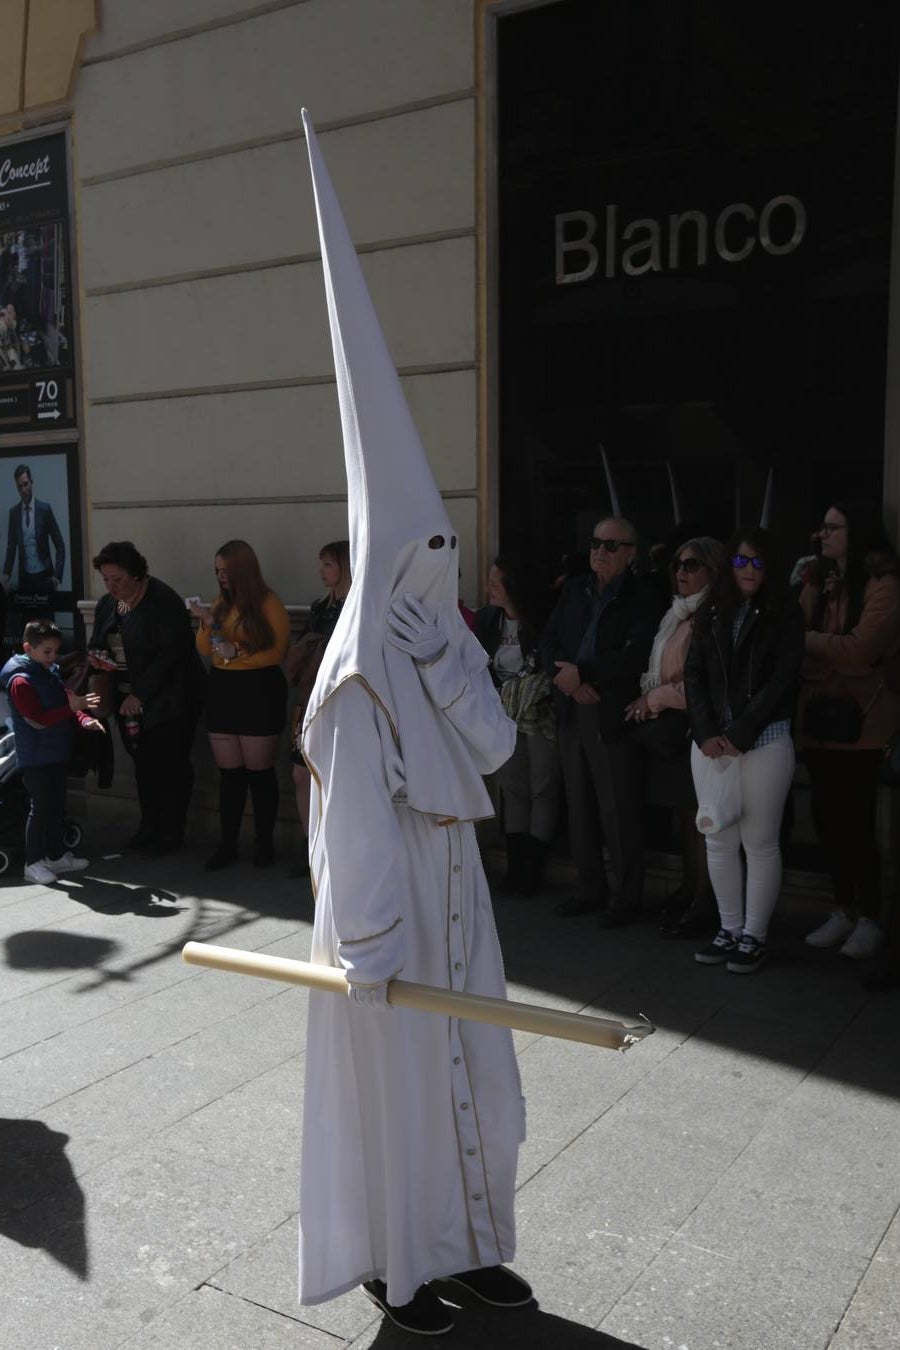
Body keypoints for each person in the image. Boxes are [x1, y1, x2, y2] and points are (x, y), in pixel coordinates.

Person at [297, 110, 529, 1338]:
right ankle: (403, 1263)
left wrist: (453, 658)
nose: (442, 568)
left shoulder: (435, 646)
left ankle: (475, 1244)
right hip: (386, 927)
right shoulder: (350, 676)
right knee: (402, 1097)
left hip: (461, 891)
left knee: (477, 1080)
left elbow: (491, 751)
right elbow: (356, 832)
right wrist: (373, 954)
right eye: (424, 554)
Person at [684, 528, 805, 973]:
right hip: (711, 744)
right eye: (739, 561)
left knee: (759, 842)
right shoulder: (710, 611)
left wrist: (742, 731)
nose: (748, 569)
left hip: (764, 742)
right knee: (717, 840)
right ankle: (729, 929)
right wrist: (705, 732)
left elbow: (782, 680)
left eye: (756, 561)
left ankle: (754, 935)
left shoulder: (784, 613)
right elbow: (693, 675)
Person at [540, 517, 665, 925]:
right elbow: (549, 640)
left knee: (618, 808)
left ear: (631, 553)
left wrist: (586, 674)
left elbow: (637, 654)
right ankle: (589, 889)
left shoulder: (643, 595)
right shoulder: (576, 588)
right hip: (573, 704)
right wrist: (570, 681)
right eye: (595, 543)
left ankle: (626, 899)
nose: (600, 552)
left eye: (611, 546)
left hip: (612, 709)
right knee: (578, 805)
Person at [798, 501, 900, 959]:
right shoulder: (819, 583)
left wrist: (816, 647)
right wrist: (828, 648)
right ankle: (843, 909)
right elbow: (795, 638)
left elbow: (861, 651)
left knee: (858, 824)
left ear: (855, 533)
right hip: (821, 720)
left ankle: (871, 916)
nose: (822, 535)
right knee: (826, 820)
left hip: (864, 725)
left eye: (832, 527)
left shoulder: (884, 586)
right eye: (821, 527)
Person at [622, 536, 724, 937]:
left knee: (703, 820)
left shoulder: (712, 616)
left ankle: (706, 901)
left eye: (692, 565)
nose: (681, 572)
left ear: (712, 571)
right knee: (684, 816)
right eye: (678, 565)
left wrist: (655, 698)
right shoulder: (679, 613)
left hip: (697, 731)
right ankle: (689, 889)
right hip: (675, 733)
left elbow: (704, 684)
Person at [90, 541, 205, 853]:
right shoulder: (107, 605)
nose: (111, 586)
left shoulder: (162, 601)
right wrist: (97, 658)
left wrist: (141, 694)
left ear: (136, 575)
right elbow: (98, 641)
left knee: (170, 764)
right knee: (143, 764)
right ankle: (148, 826)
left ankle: (170, 833)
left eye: (118, 579)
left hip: (169, 699)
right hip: (126, 698)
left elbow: (173, 654)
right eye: (106, 580)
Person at [193, 540, 290, 871]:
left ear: (242, 570)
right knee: (230, 775)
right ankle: (228, 845)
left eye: (226, 570)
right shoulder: (221, 603)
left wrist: (240, 655)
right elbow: (207, 649)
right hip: (223, 688)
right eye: (217, 571)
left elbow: (276, 653)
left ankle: (264, 845)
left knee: (259, 773)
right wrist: (207, 621)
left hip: (258, 690)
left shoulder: (268, 602)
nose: (221, 577)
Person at [474, 555, 558, 895]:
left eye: (497, 583)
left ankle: (533, 870)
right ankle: (515, 866)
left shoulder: (542, 620)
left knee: (543, 787)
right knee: (512, 789)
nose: (490, 589)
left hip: (539, 715)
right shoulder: (488, 620)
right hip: (502, 715)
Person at [0, 618, 104, 883]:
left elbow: (68, 703)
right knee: (41, 807)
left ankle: (57, 856)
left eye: (55, 651)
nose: (53, 657)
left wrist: (84, 719)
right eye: (47, 651)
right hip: (35, 755)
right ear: (28, 648)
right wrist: (73, 710)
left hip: (56, 750)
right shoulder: (21, 681)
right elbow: (36, 719)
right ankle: (33, 862)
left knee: (57, 805)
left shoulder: (49, 671)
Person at [285, 539, 351, 877]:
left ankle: (334, 849)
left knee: (335, 777)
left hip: (341, 701)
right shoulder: (319, 607)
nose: (322, 571)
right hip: (310, 698)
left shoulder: (357, 607)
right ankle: (311, 846)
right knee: (302, 774)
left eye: (328, 564)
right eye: (321, 564)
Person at [2, 464, 66, 597]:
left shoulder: (44, 510)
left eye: (26, 484)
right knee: (27, 617)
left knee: (46, 617)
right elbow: (11, 548)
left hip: (45, 576)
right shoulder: (14, 513)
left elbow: (60, 544)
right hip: (25, 578)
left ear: (31, 483)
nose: (23, 489)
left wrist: (57, 577)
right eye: (20, 486)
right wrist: (6, 576)